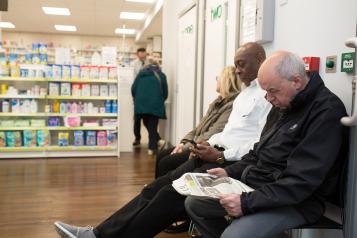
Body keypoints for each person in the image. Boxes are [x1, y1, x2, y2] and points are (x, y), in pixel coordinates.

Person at [53, 42, 273, 238]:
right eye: (236, 64)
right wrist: (210, 143)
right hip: (212, 154)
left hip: (227, 164)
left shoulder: (269, 97)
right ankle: (97, 233)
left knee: (167, 195)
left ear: (261, 61)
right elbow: (229, 132)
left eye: (242, 64)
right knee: (156, 187)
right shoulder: (245, 95)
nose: (237, 70)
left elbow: (258, 144)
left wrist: (221, 154)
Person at [185, 51, 348, 238]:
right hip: (260, 186)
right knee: (195, 204)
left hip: (297, 200)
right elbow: (258, 152)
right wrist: (230, 172)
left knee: (235, 235)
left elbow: (301, 182)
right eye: (266, 91)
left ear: (296, 81)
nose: (268, 99)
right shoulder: (283, 103)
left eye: (272, 91)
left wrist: (246, 203)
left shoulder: (326, 111)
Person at [155, 66, 242, 178]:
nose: (217, 81)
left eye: (218, 78)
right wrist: (183, 142)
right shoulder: (217, 102)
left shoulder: (231, 106)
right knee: (161, 155)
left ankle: (160, 188)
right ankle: (155, 187)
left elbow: (211, 134)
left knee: (166, 162)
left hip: (202, 148)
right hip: (193, 144)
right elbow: (197, 129)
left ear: (226, 80)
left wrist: (186, 147)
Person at [131, 59, 168, 155]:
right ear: (158, 66)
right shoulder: (162, 75)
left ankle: (156, 143)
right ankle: (153, 147)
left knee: (147, 122)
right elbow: (165, 92)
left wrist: (137, 99)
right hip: (155, 103)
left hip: (141, 103)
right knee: (152, 124)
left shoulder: (140, 75)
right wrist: (160, 100)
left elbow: (133, 89)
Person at [132, 48, 148, 146]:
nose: (142, 55)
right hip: (138, 92)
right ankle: (137, 138)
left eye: (143, 53)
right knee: (137, 118)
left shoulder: (149, 63)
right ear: (137, 54)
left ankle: (154, 138)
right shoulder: (134, 64)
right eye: (140, 53)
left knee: (147, 117)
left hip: (147, 93)